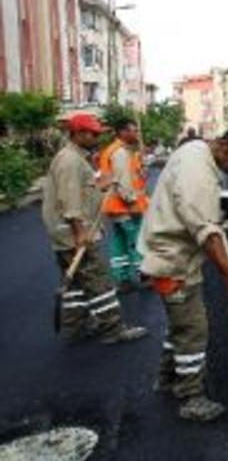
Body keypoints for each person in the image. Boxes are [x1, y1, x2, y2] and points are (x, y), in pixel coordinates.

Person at [138, 128, 228, 422]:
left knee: (180, 325)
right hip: (173, 261)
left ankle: (166, 378)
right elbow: (207, 232)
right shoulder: (198, 171)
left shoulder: (196, 152)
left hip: (170, 253)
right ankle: (191, 397)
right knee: (193, 330)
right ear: (223, 144)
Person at [41, 114, 149, 344]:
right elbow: (69, 200)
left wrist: (99, 185)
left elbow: (82, 191)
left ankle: (76, 325)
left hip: (65, 232)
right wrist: (80, 233)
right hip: (73, 233)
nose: (97, 137)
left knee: (76, 283)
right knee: (99, 281)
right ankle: (113, 329)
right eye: (93, 134)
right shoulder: (70, 161)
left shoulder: (75, 158)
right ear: (78, 134)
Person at [99, 119, 149, 290]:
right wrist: (132, 202)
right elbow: (123, 182)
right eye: (133, 131)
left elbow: (132, 176)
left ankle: (122, 278)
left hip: (115, 208)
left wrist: (141, 170)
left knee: (120, 242)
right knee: (136, 241)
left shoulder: (120, 151)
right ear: (122, 132)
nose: (137, 134)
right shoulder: (120, 153)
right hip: (127, 207)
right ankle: (144, 275)